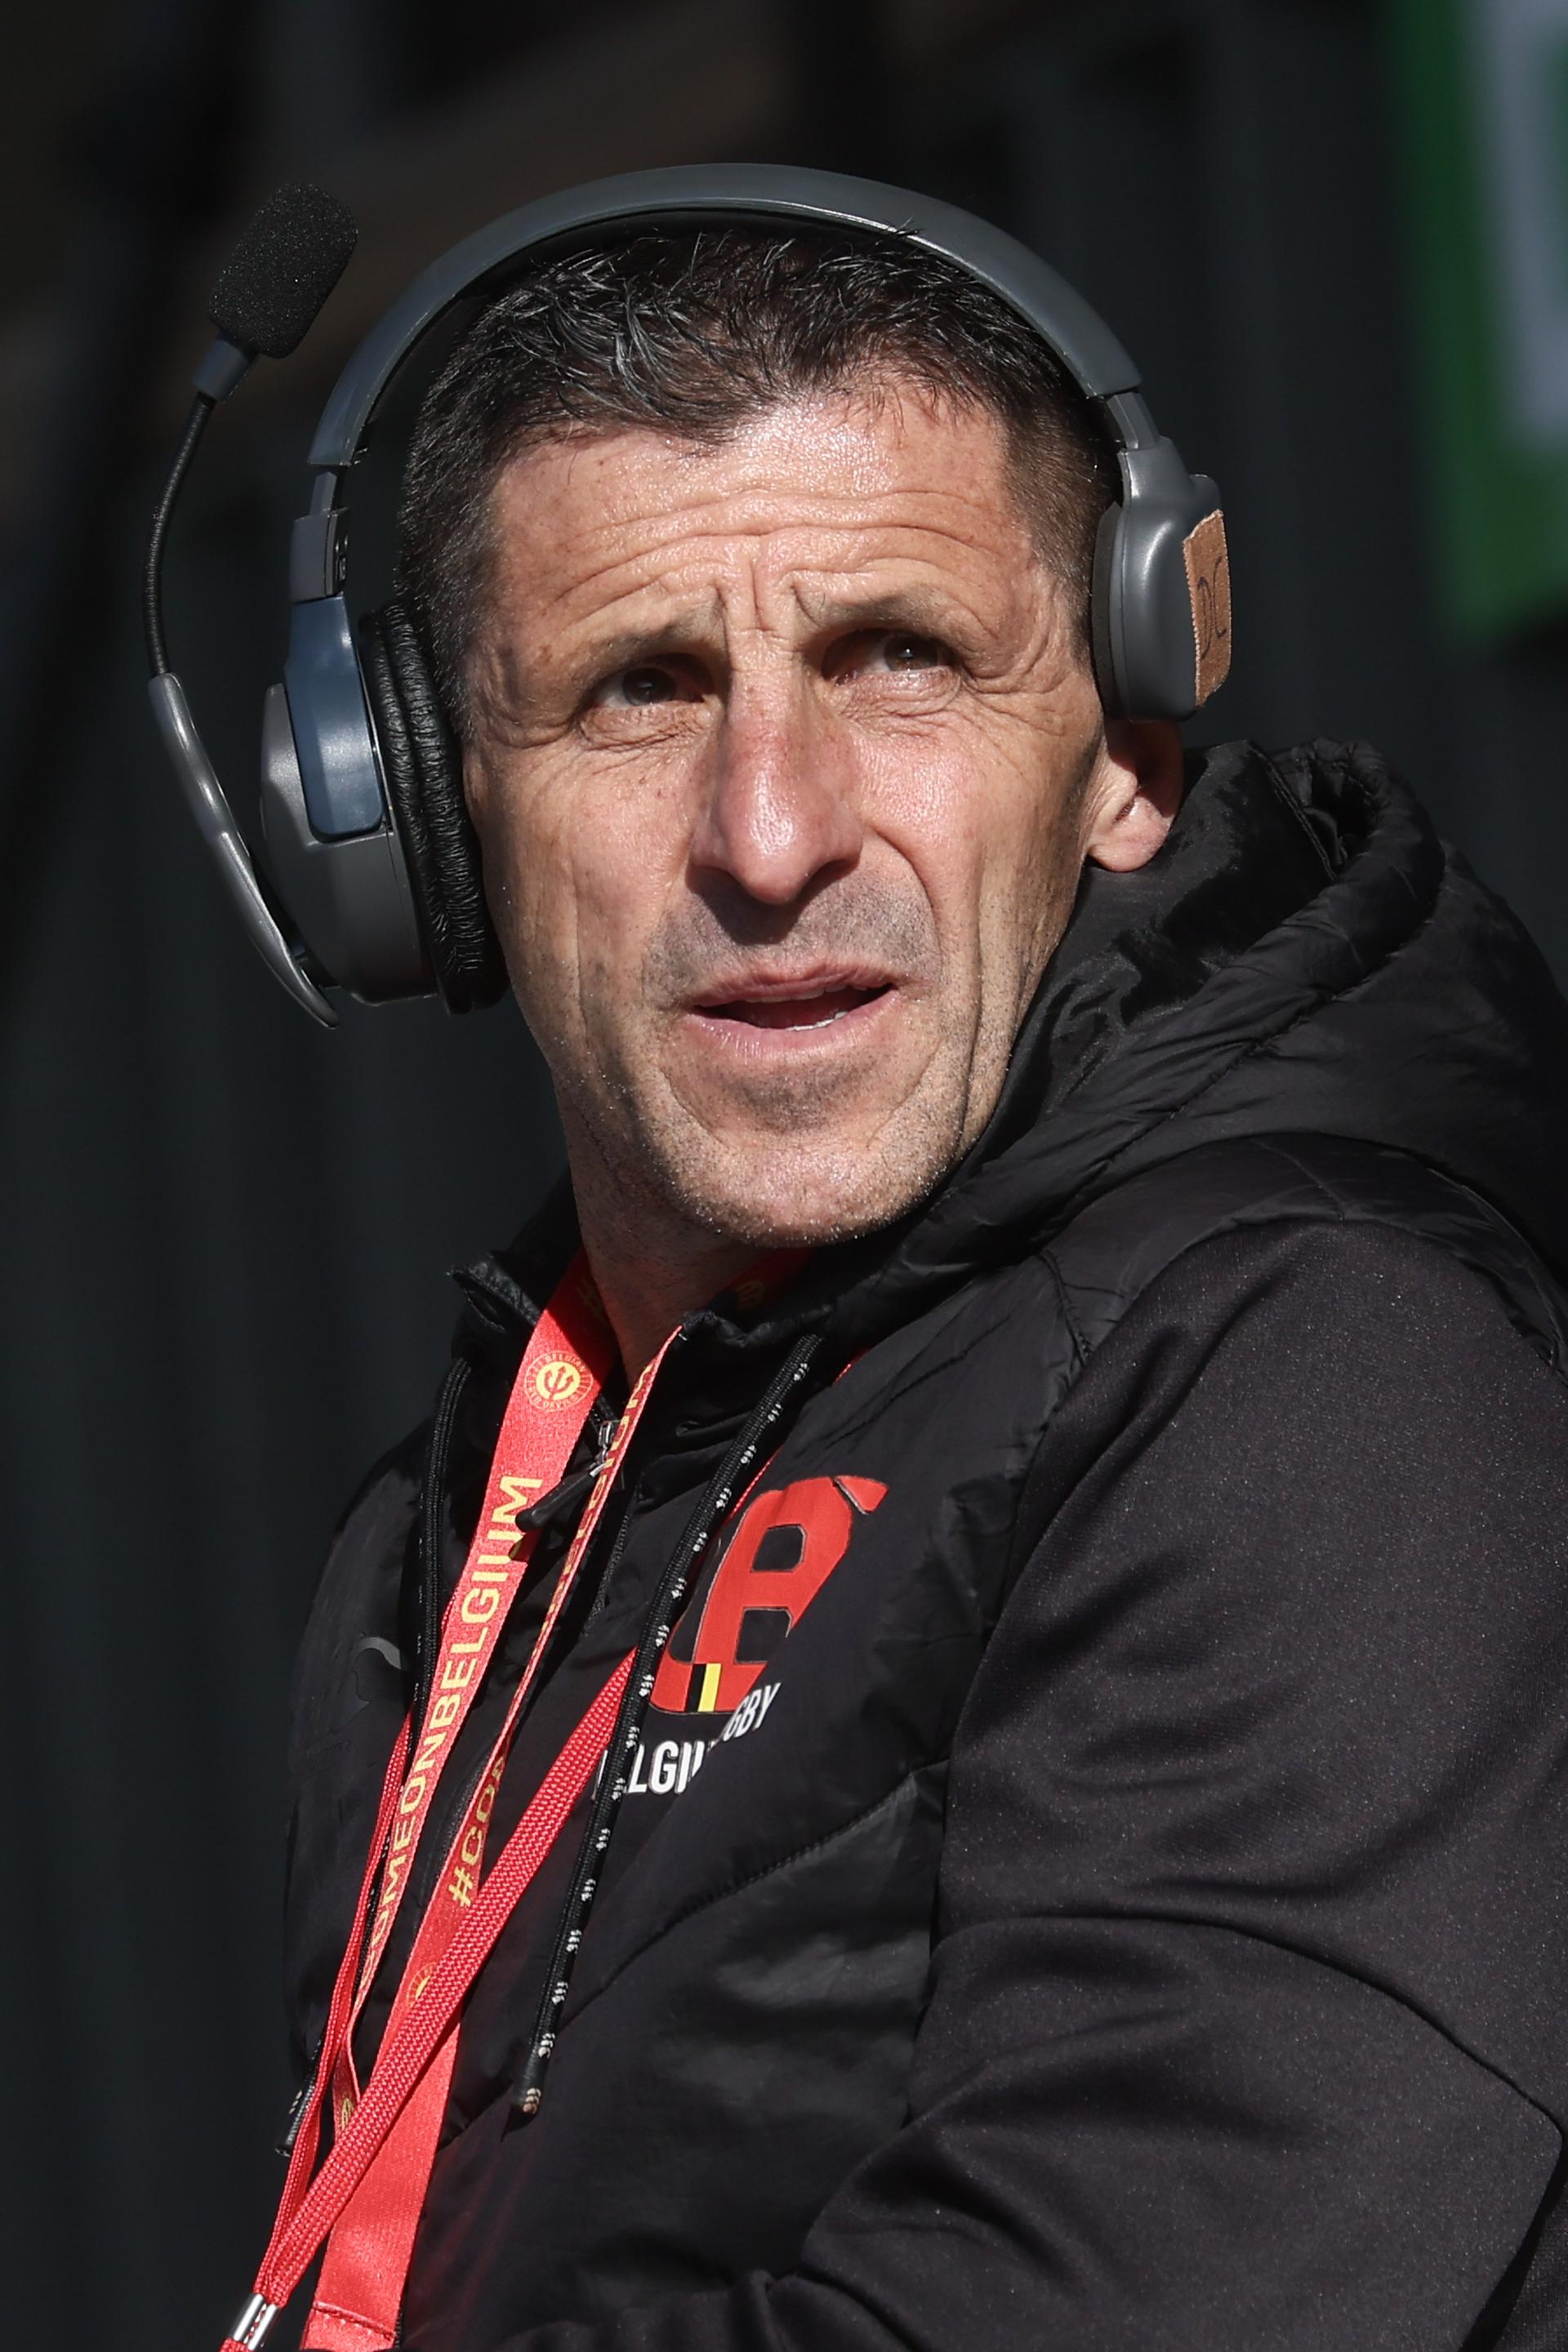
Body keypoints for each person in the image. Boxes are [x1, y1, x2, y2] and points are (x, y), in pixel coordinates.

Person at [275, 216, 1568, 2352]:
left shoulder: (1322, 1371)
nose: (773, 834)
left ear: (1126, 757)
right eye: (638, 688)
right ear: (422, 828)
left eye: (899, 656)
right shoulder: (476, 1521)